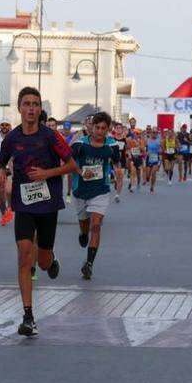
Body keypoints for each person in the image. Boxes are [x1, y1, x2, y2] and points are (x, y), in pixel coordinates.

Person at [0, 87, 77, 337]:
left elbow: (72, 165)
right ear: (19, 108)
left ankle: (51, 260)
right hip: (23, 205)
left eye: (35, 104)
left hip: (48, 204)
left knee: (42, 261)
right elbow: (0, 163)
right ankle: (28, 316)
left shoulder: (51, 136)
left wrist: (47, 174)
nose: (31, 108)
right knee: (24, 255)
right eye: (27, 104)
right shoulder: (11, 138)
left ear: (40, 109)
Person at [71, 112, 121, 280]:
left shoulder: (112, 145)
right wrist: (80, 171)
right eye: (97, 127)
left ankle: (89, 264)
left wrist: (118, 176)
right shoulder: (79, 144)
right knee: (85, 227)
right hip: (80, 190)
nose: (99, 131)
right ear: (91, 127)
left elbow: (117, 163)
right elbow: (69, 162)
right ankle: (82, 233)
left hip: (100, 190)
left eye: (103, 128)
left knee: (96, 225)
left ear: (108, 130)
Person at [145, 130, 162, 194]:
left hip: (156, 158)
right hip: (149, 158)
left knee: (153, 173)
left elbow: (161, 149)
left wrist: (160, 150)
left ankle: (152, 187)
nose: (154, 134)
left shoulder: (159, 141)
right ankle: (147, 178)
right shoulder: (147, 140)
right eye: (153, 133)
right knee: (148, 175)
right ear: (151, 133)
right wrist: (146, 152)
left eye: (156, 133)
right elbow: (144, 148)